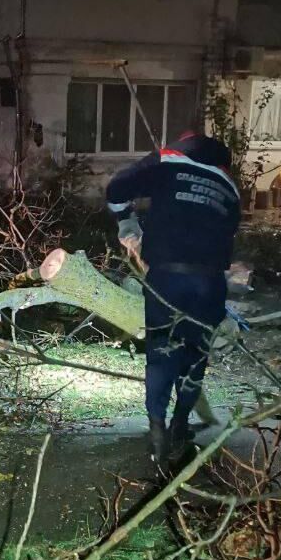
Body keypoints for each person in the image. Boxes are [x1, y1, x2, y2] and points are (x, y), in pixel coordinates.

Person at [105, 128, 241, 463]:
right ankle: (180, 426)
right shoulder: (230, 187)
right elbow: (228, 232)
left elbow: (116, 189)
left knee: (161, 353)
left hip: (168, 277)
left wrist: (127, 221)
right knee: (195, 356)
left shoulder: (168, 160)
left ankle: (156, 430)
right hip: (210, 284)